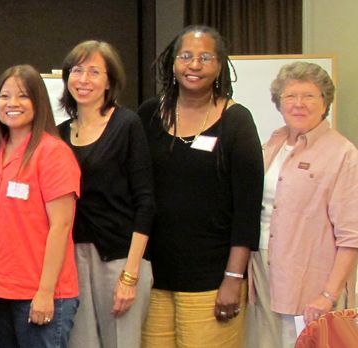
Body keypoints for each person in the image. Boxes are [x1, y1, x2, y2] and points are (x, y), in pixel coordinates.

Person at [137, 26, 262, 348]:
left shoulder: (237, 122)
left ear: (220, 65)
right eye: (186, 56)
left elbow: (248, 209)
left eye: (205, 58)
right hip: (153, 278)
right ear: (172, 63)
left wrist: (234, 279)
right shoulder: (149, 114)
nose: (194, 65)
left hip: (212, 279)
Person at [244, 62, 358, 348]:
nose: (298, 104)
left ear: (325, 102)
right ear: (279, 103)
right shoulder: (273, 143)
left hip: (313, 284)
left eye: (309, 96)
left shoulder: (343, 154)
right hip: (263, 274)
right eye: (290, 96)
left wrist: (328, 295)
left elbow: (351, 236)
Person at [55, 41, 154, 348]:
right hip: (71, 259)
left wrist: (131, 274)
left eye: (94, 72)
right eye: (77, 70)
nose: (83, 79)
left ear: (109, 81)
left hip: (120, 257)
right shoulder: (58, 133)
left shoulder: (126, 124)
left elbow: (146, 201)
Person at [0, 64, 81, 347]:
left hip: (37, 294)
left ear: (39, 102)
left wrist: (45, 292)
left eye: (22, 96)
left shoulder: (53, 153)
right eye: (4, 96)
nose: (12, 103)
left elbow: (62, 226)